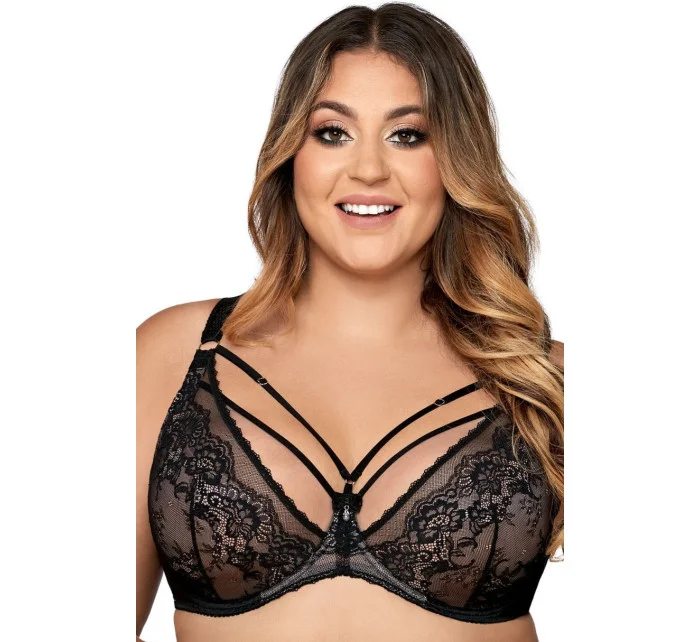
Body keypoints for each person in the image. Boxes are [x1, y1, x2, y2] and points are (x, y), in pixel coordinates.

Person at [136, 3, 564, 641]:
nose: (367, 169)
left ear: (457, 160)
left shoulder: (542, 379)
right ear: (290, 153)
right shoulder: (175, 354)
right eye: (333, 133)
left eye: (407, 135)